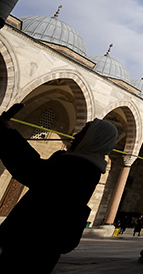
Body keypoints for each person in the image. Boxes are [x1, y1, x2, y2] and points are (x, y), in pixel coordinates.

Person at [0, 103, 118, 273]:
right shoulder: (84, 165)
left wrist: (7, 132)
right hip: (36, 244)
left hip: (34, 244)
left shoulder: (81, 168)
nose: (76, 135)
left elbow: (33, 171)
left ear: (94, 138)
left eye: (83, 132)